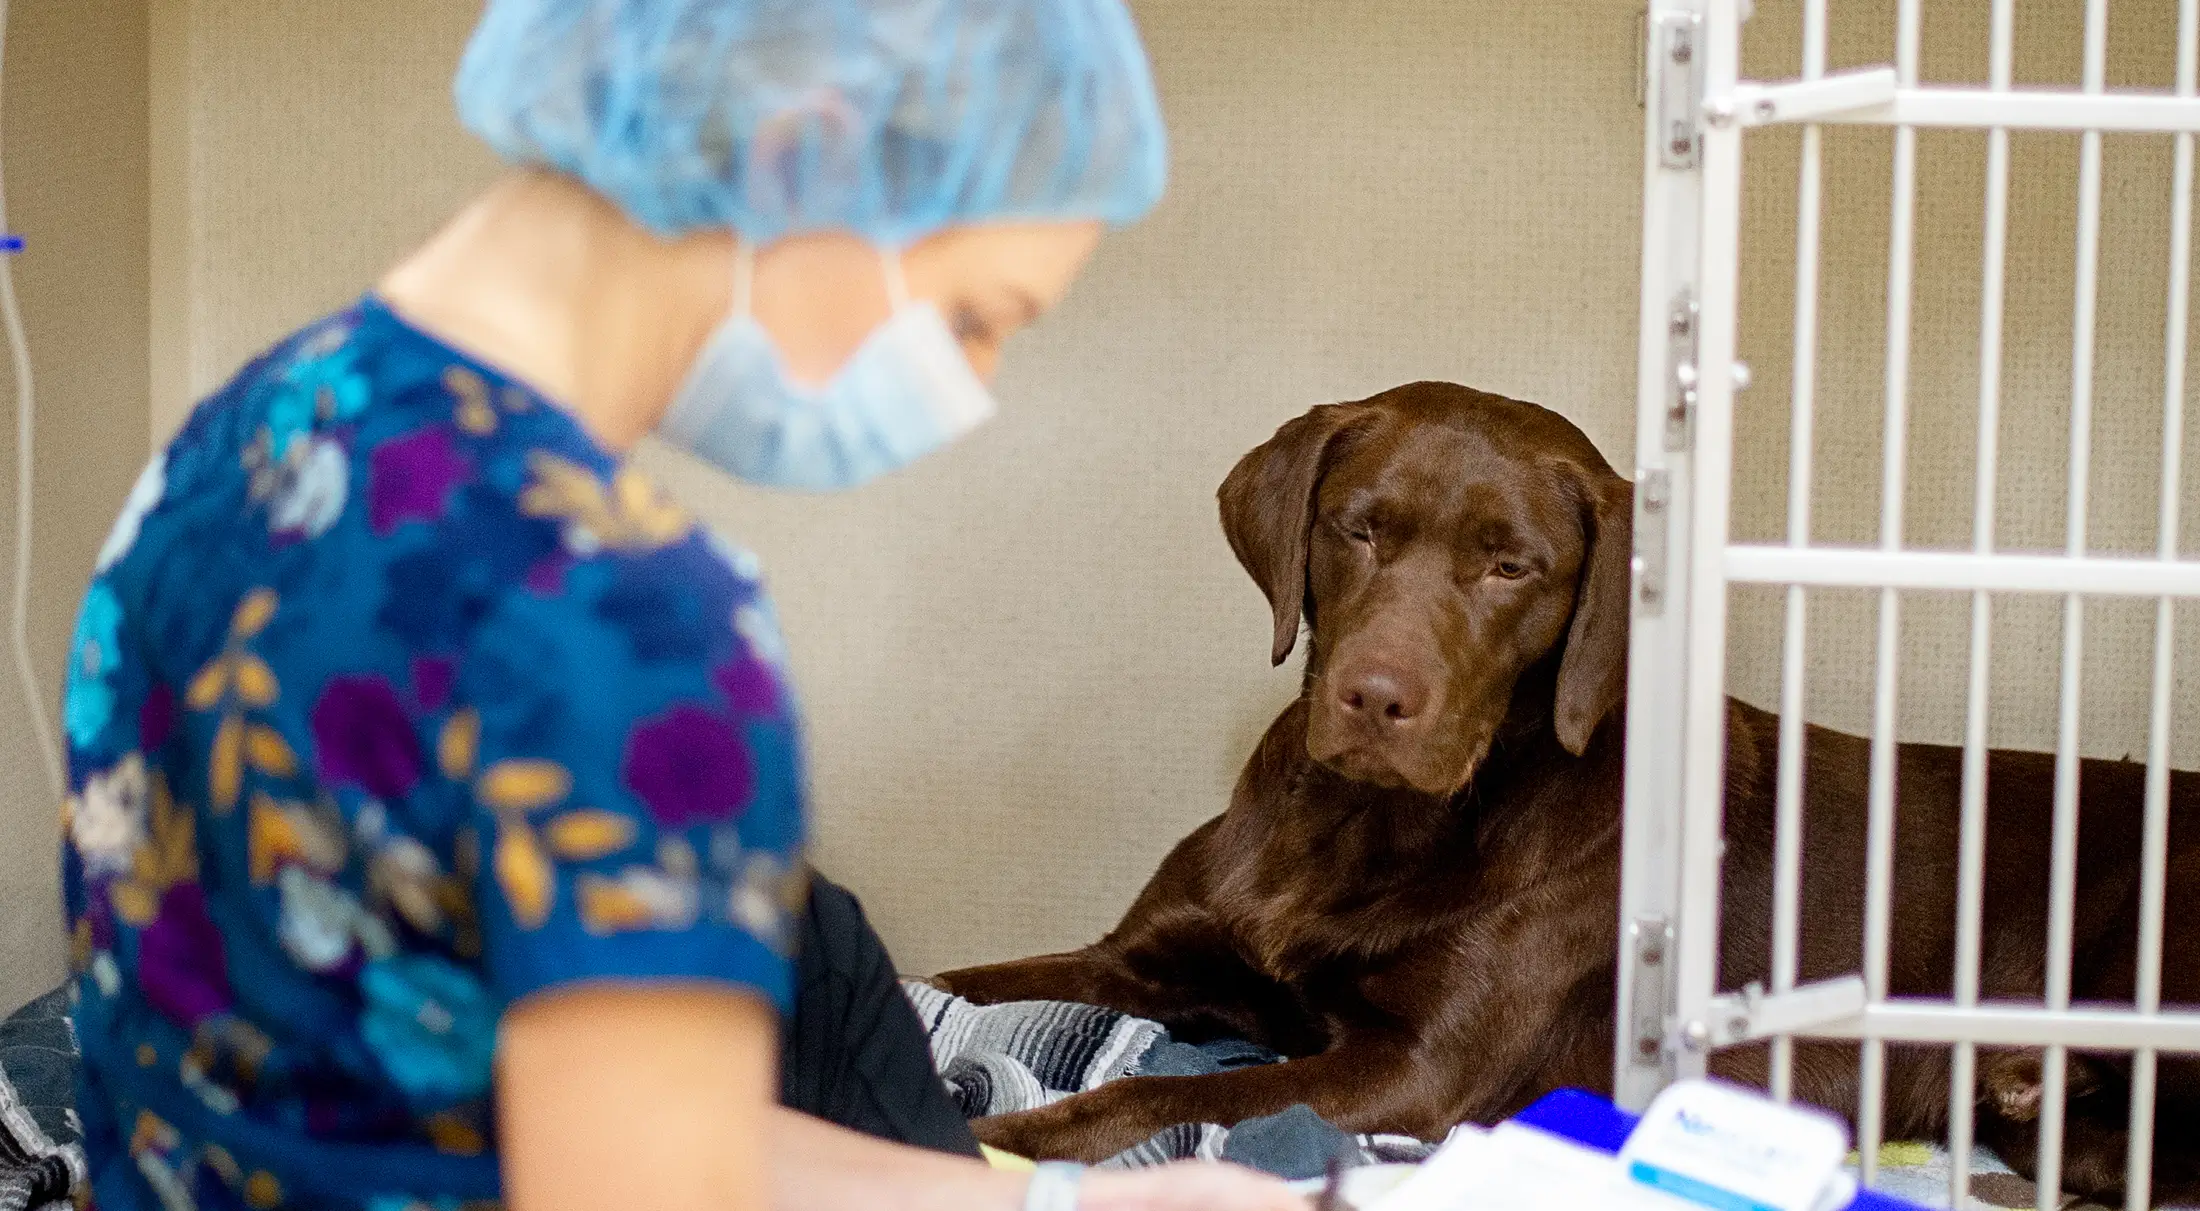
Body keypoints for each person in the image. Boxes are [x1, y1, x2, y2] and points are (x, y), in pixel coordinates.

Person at [55, 2, 1307, 1209]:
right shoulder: (623, 618)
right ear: (805, 150)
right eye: (973, 320)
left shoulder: (250, 437)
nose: (967, 391)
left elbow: (588, 1125)